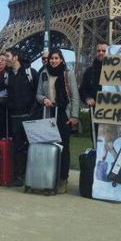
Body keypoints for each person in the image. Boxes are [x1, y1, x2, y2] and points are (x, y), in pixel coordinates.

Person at [0, 47, 38, 187]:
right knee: (17, 147)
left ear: (15, 57)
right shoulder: (7, 75)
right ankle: (18, 176)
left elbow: (37, 93)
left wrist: (33, 112)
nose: (6, 58)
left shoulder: (30, 73)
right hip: (14, 116)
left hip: (29, 116)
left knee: (30, 147)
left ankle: (32, 175)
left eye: (8, 56)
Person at [36, 49, 80, 194]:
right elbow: (38, 94)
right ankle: (49, 178)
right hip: (48, 113)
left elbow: (74, 96)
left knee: (63, 147)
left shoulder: (68, 74)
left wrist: (74, 116)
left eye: (56, 58)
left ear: (61, 59)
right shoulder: (44, 73)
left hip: (63, 115)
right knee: (49, 147)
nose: (53, 61)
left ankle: (62, 179)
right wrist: (44, 99)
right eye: (51, 59)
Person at [79, 41, 108, 108]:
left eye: (104, 51)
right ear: (95, 53)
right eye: (98, 51)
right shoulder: (89, 71)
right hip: (96, 111)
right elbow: (83, 89)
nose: (101, 53)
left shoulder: (117, 70)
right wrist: (87, 98)